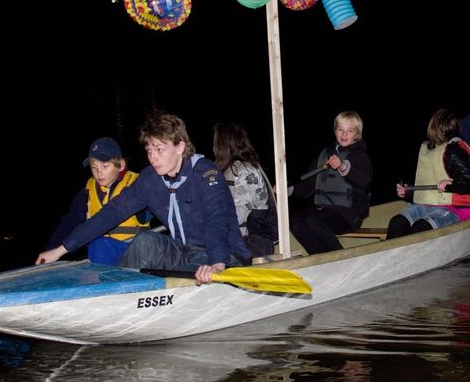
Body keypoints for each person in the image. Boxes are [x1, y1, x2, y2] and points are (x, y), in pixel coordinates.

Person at [36, 111, 252, 285]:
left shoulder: (206, 174)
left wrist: (217, 264)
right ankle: (113, 290)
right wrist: (61, 249)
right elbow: (110, 214)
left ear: (180, 147)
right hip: (185, 252)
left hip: (224, 255)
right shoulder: (150, 179)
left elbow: (217, 220)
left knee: (195, 268)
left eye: (159, 149)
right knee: (145, 240)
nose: (153, 158)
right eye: (149, 150)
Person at [44, 137, 150, 265]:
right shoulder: (86, 192)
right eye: (94, 167)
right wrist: (51, 250)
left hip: (134, 253)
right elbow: (68, 224)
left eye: (105, 166)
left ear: (121, 165)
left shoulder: (137, 185)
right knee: (97, 248)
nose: (99, 173)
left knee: (100, 245)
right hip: (101, 254)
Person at [288, 111, 373, 254]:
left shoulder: (360, 157)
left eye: (350, 130)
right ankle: (318, 257)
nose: (344, 134)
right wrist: (288, 189)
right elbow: (308, 186)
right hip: (325, 210)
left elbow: (363, 180)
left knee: (312, 219)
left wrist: (342, 166)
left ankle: (340, 257)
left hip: (350, 215)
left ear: (357, 135)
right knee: (294, 220)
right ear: (335, 131)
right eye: (340, 129)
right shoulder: (325, 154)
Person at [387, 108, 470, 238]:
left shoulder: (455, 150)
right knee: (397, 223)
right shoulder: (429, 149)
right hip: (428, 205)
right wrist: (408, 192)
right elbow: (427, 188)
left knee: (421, 228)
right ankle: (393, 257)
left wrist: (451, 184)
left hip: (454, 209)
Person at [213, 122, 277, 257]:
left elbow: (240, 213)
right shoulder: (232, 169)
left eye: (216, 141)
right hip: (242, 235)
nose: (214, 147)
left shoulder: (243, 170)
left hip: (256, 238)